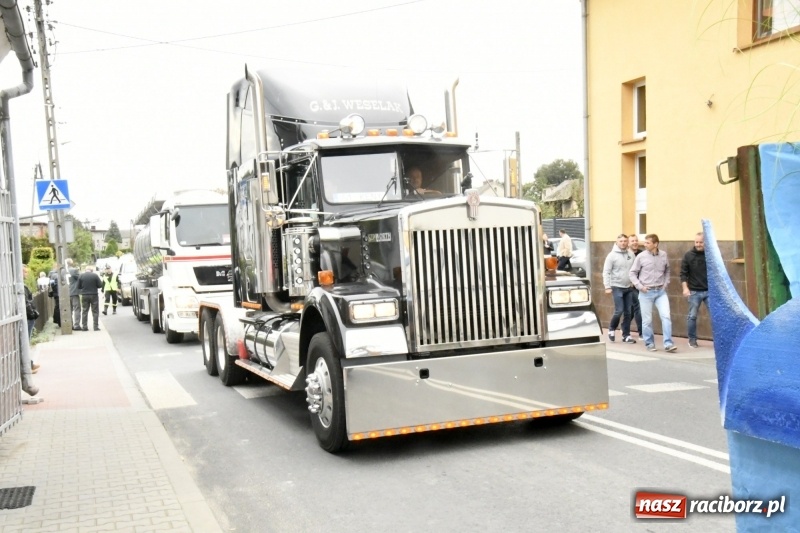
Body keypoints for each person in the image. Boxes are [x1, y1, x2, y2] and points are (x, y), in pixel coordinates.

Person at [629, 233, 676, 352]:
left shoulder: (663, 255)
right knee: (647, 320)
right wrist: (640, 287)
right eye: (644, 242)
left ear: (655, 244)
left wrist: (665, 283)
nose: (645, 244)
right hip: (646, 292)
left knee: (666, 316)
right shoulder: (641, 256)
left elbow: (667, 270)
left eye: (647, 243)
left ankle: (668, 344)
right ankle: (649, 343)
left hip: (660, 291)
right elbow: (632, 273)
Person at [603, 233, 636, 343]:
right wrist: (607, 286)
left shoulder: (631, 254)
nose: (623, 243)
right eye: (621, 241)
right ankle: (612, 329)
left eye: (625, 241)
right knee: (619, 310)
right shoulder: (611, 256)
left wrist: (634, 282)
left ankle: (626, 335)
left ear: (627, 242)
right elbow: (606, 272)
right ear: (617, 242)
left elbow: (634, 269)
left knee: (628, 312)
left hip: (629, 287)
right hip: (616, 286)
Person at [680, 231, 709, 348]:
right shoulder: (688, 255)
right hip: (694, 291)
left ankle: (719, 340)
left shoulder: (709, 255)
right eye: (696, 242)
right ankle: (692, 339)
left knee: (715, 316)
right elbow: (683, 274)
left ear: (705, 242)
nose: (698, 244)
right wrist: (685, 288)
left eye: (700, 242)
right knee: (692, 316)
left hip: (709, 291)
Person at [21, 265, 41, 389]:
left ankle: (30, 364)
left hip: (28, 318)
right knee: (25, 343)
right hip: (28, 318)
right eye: (25, 272)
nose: (27, 274)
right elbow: (27, 303)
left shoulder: (22, 286)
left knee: (26, 343)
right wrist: (33, 314)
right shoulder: (21, 287)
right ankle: (28, 366)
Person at [77, 265, 104, 331]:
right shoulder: (95, 275)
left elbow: (78, 286)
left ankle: (84, 327)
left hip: (84, 295)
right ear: (91, 270)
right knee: (95, 311)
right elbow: (100, 285)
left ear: (85, 270)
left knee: (85, 311)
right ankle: (95, 327)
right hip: (94, 295)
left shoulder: (81, 276)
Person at [627, 233, 643, 337]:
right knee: (639, 307)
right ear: (628, 243)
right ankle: (642, 333)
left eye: (636, 240)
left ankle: (625, 328)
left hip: (642, 285)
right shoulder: (626, 255)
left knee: (632, 310)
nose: (635, 243)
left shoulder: (642, 254)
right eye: (632, 241)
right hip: (631, 286)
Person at [66, 258, 82, 330]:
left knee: (68, 310)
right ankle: (76, 325)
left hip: (65, 293)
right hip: (74, 292)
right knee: (77, 309)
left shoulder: (62, 271)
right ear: (71, 263)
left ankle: (69, 325)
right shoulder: (74, 270)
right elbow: (80, 278)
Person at [49, 262, 61, 327]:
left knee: (57, 306)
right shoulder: (55, 275)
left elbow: (52, 284)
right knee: (58, 307)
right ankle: (58, 321)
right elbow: (56, 285)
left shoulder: (51, 274)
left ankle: (57, 320)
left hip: (55, 293)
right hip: (58, 293)